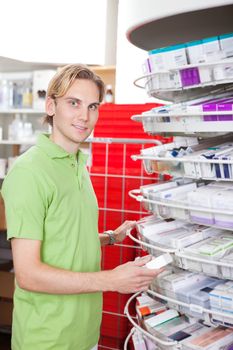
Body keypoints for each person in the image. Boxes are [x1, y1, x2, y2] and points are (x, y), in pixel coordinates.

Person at [1, 64, 162, 350]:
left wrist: (110, 237)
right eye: (73, 103)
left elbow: (61, 237)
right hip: (47, 339)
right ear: (51, 106)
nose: (84, 116)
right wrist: (113, 279)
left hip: (85, 332)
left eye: (93, 106)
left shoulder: (78, 164)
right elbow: (28, 274)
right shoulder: (29, 173)